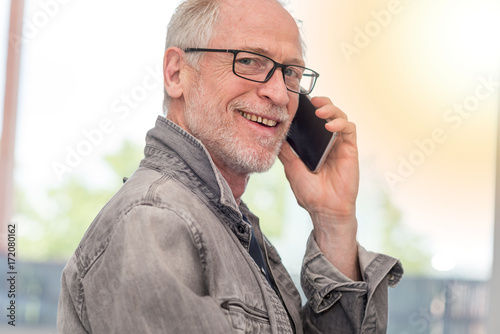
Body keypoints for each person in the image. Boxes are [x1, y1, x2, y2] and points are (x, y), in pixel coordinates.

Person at [57, 0, 403, 333]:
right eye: (251, 61)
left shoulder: (229, 224)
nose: (281, 95)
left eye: (291, 73)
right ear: (176, 73)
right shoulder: (155, 220)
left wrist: (333, 222)